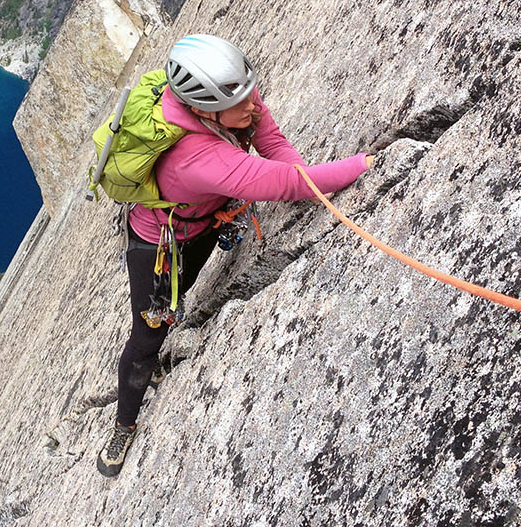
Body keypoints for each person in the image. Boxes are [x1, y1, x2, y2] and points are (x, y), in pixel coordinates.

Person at [97, 34, 374, 477]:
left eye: (251, 92)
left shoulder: (228, 95)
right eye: (241, 100)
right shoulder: (197, 158)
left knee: (177, 301)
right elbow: (288, 184)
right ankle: (124, 425)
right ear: (203, 108)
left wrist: (302, 173)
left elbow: (276, 150)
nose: (253, 105)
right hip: (158, 247)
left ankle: (172, 322)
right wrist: (359, 166)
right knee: (148, 335)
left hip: (205, 223)